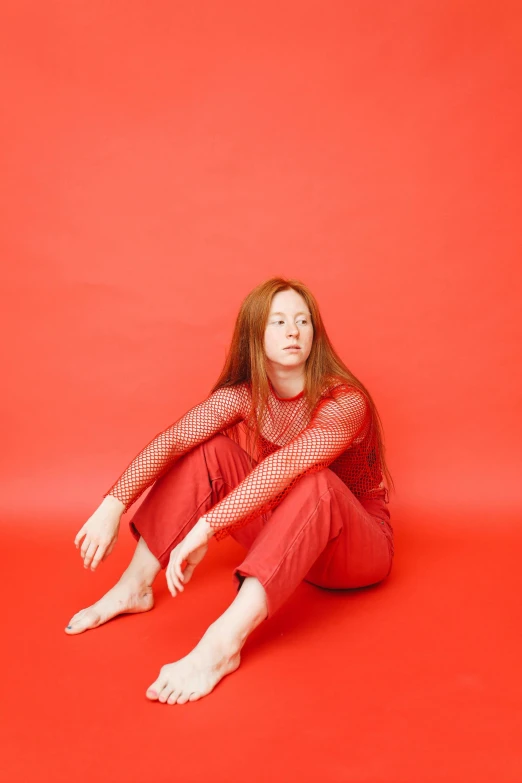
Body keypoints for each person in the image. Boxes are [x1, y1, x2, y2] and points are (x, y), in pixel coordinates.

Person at [66, 277, 395, 705]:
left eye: (302, 320)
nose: (293, 331)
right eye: (278, 322)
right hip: (289, 541)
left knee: (318, 482)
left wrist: (206, 529)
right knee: (210, 450)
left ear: (315, 333)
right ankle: (135, 587)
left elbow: (290, 463)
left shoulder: (346, 401)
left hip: (355, 550)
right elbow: (175, 440)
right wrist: (113, 504)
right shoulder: (245, 396)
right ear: (254, 335)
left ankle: (221, 645)